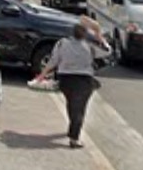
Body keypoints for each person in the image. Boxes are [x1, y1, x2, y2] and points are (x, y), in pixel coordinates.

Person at [35, 17, 111, 149]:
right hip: (83, 80)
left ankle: (72, 129)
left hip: (65, 79)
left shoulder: (62, 43)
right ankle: (74, 139)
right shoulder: (90, 46)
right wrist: (98, 34)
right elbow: (107, 51)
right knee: (80, 109)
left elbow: (53, 61)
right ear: (85, 35)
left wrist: (41, 76)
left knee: (71, 105)